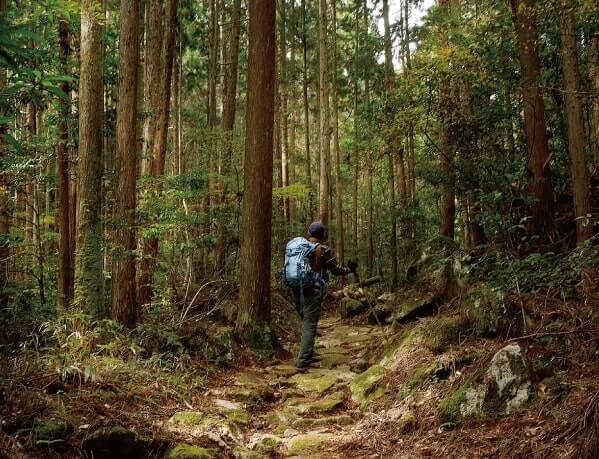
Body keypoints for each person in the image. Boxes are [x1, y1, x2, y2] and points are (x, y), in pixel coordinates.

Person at [288, 221, 357, 371]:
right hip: (312, 290)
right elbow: (336, 270)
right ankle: (303, 361)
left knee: (306, 322)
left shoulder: (300, 248)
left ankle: (308, 353)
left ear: (309, 233)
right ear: (322, 235)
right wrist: (350, 269)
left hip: (296, 289)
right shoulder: (323, 249)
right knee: (309, 324)